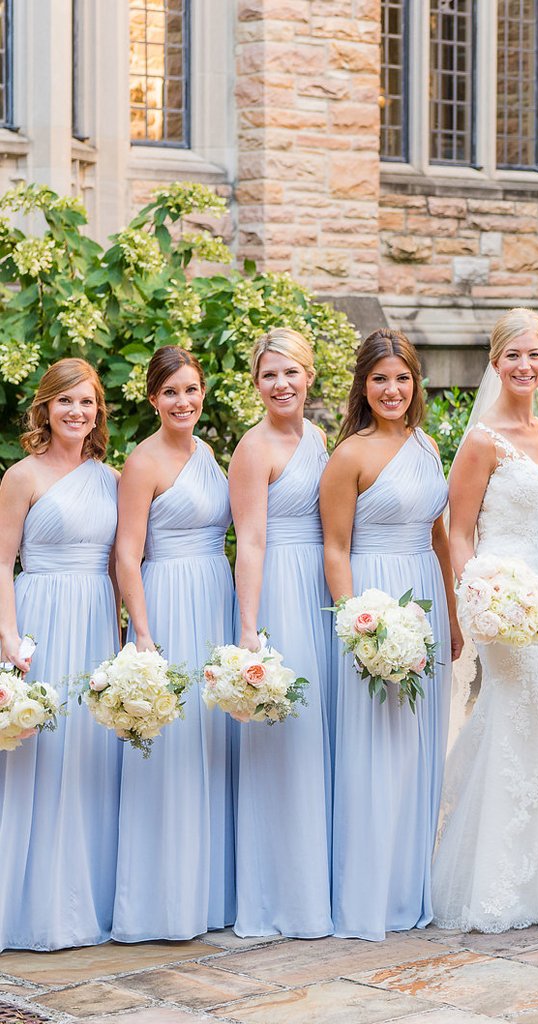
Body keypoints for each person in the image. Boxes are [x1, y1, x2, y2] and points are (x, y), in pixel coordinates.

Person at [432, 308, 538, 932]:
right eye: (512, 356)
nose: (524, 366)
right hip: (506, 603)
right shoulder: (482, 439)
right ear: (496, 364)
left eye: (534, 355)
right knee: (519, 715)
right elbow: (459, 530)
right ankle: (495, 883)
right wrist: (479, 599)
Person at [324, 329, 460, 940]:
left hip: (425, 599)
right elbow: (335, 548)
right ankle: (367, 895)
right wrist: (359, 624)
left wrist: (452, 617)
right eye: (380, 378)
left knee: (418, 747)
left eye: (402, 378)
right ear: (363, 386)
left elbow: (438, 537)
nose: (392, 389)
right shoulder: (349, 455)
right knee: (374, 746)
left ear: (416, 384)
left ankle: (410, 887)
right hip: (375, 600)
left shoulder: (427, 445)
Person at [111, 346, 236, 941]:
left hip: (214, 593)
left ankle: (210, 894)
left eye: (191, 389)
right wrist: (143, 634)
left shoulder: (206, 452)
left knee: (212, 743)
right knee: (174, 746)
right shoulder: (143, 462)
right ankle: (163, 903)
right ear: (154, 398)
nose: (182, 402)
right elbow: (127, 554)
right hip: (168, 599)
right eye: (171, 393)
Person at [0, 358, 121, 950]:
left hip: (95, 619)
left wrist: (126, 639)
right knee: (38, 754)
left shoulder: (110, 477)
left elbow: (122, 564)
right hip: (40, 619)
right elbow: (1, 562)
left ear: (99, 411)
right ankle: (28, 908)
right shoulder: (21, 476)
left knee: (87, 754)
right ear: (45, 408)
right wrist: (7, 635)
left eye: (88, 402)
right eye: (66, 401)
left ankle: (81, 903)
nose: (78, 412)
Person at [229, 328, 333, 938]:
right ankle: (280, 895)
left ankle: (315, 882)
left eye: (291, 372)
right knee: (284, 737)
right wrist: (250, 628)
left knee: (316, 731)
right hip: (279, 591)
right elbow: (251, 540)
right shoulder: (253, 447)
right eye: (269, 375)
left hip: (318, 586)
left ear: (310, 376)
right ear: (257, 384)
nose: (281, 384)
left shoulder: (318, 438)